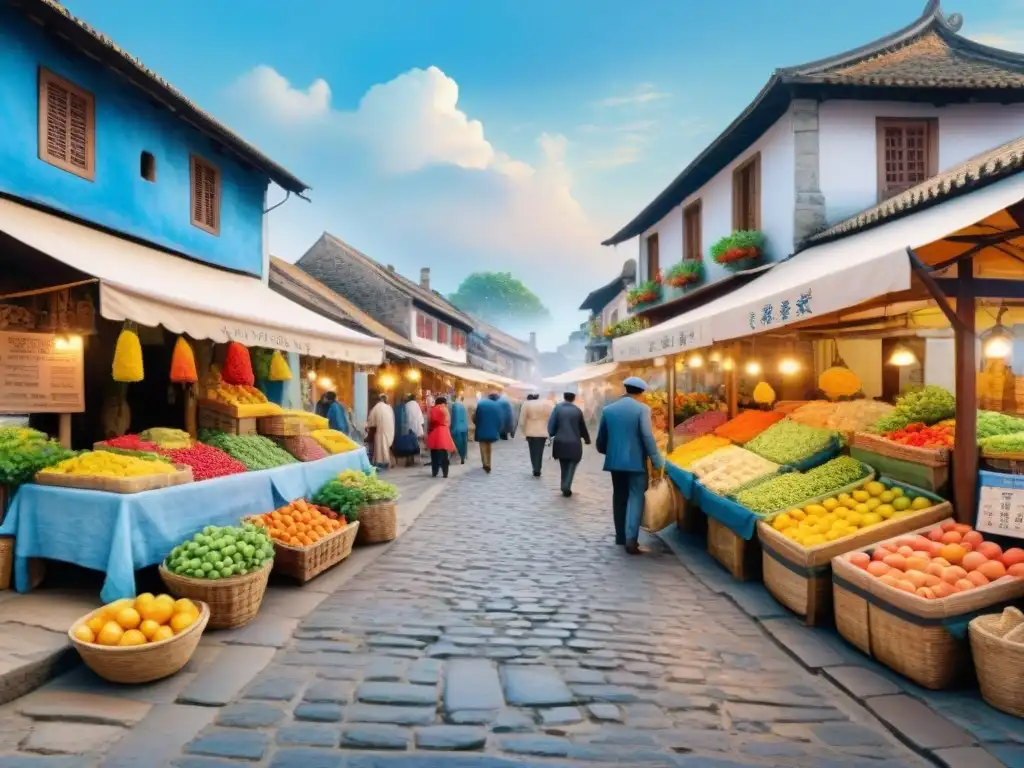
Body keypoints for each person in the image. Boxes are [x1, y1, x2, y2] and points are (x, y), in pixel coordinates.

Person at [596, 377, 665, 555]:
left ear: (625, 389)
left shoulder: (608, 409)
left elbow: (601, 440)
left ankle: (620, 536)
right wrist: (656, 460)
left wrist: (609, 451)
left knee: (619, 496)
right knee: (636, 496)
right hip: (636, 462)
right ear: (641, 393)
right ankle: (631, 539)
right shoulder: (642, 409)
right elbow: (647, 436)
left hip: (615, 462)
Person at [548, 392, 590, 497]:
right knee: (572, 464)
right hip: (574, 442)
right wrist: (587, 439)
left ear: (564, 397)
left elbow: (551, 424)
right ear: (573, 399)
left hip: (560, 442)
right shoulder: (577, 410)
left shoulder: (557, 408)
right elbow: (582, 427)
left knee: (563, 465)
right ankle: (566, 485)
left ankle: (564, 485)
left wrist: (552, 433)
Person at [518, 393, 554, 478]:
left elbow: (522, 420)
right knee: (540, 451)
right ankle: (538, 468)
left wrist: (523, 431)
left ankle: (535, 467)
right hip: (543, 430)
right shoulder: (547, 404)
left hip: (530, 430)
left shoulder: (526, 404)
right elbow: (552, 417)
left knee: (532, 450)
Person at [426, 395, 456, 478]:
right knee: (444, 454)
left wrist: (428, 432)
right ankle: (445, 473)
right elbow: (448, 422)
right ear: (444, 403)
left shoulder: (432, 410)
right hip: (443, 432)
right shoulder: (445, 409)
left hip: (434, 432)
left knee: (434, 453)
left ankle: (434, 472)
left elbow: (429, 422)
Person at [474, 392, 503, 473]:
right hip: (492, 430)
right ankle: (489, 464)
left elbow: (476, 417)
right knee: (489, 447)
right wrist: (498, 428)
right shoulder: (497, 406)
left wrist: (476, 423)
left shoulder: (481, 404)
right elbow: (500, 419)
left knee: (483, 446)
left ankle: (485, 463)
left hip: (481, 428)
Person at [365, 394, 395, 470]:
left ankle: (383, 463)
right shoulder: (389, 407)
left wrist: (367, 426)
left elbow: (371, 422)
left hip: (380, 431)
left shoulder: (375, 408)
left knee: (380, 448)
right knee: (386, 447)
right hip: (389, 431)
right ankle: (387, 462)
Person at [393, 393, 423, 466]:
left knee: (409, 445)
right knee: (414, 444)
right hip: (413, 428)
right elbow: (420, 417)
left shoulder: (405, 406)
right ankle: (413, 460)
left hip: (408, 428)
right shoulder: (415, 404)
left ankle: (410, 460)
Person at [450, 394, 469, 464]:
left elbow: (454, 418)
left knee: (457, 443)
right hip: (464, 427)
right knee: (464, 443)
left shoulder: (454, 406)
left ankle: (456, 457)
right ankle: (463, 457)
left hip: (456, 427)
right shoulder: (463, 406)